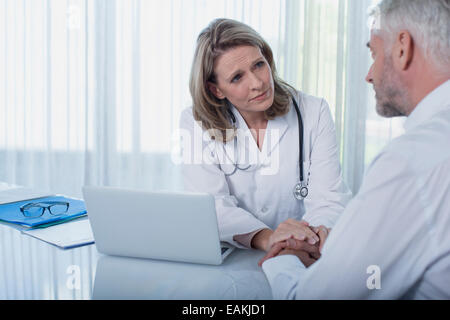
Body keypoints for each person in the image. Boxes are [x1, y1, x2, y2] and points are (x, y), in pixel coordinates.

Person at [260, 0, 450, 299]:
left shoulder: (411, 162)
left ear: (403, 47)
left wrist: (283, 259)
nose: (369, 74)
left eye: (373, 53)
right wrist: (342, 248)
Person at [178, 19, 352, 253]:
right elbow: (211, 207)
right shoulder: (196, 122)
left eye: (259, 65)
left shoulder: (313, 112)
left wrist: (309, 238)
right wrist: (268, 238)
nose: (258, 83)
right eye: (237, 77)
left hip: (305, 253)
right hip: (238, 257)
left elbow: (328, 199)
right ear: (216, 89)